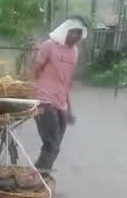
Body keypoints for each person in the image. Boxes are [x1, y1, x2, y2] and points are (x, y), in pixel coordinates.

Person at [30, 16, 87, 171]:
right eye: (73, 32)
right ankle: (38, 178)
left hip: (61, 103)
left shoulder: (74, 52)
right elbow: (34, 70)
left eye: (79, 33)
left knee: (54, 145)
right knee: (52, 145)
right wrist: (31, 94)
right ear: (65, 31)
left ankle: (37, 176)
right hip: (44, 100)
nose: (76, 36)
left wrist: (69, 108)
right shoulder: (49, 45)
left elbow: (66, 80)